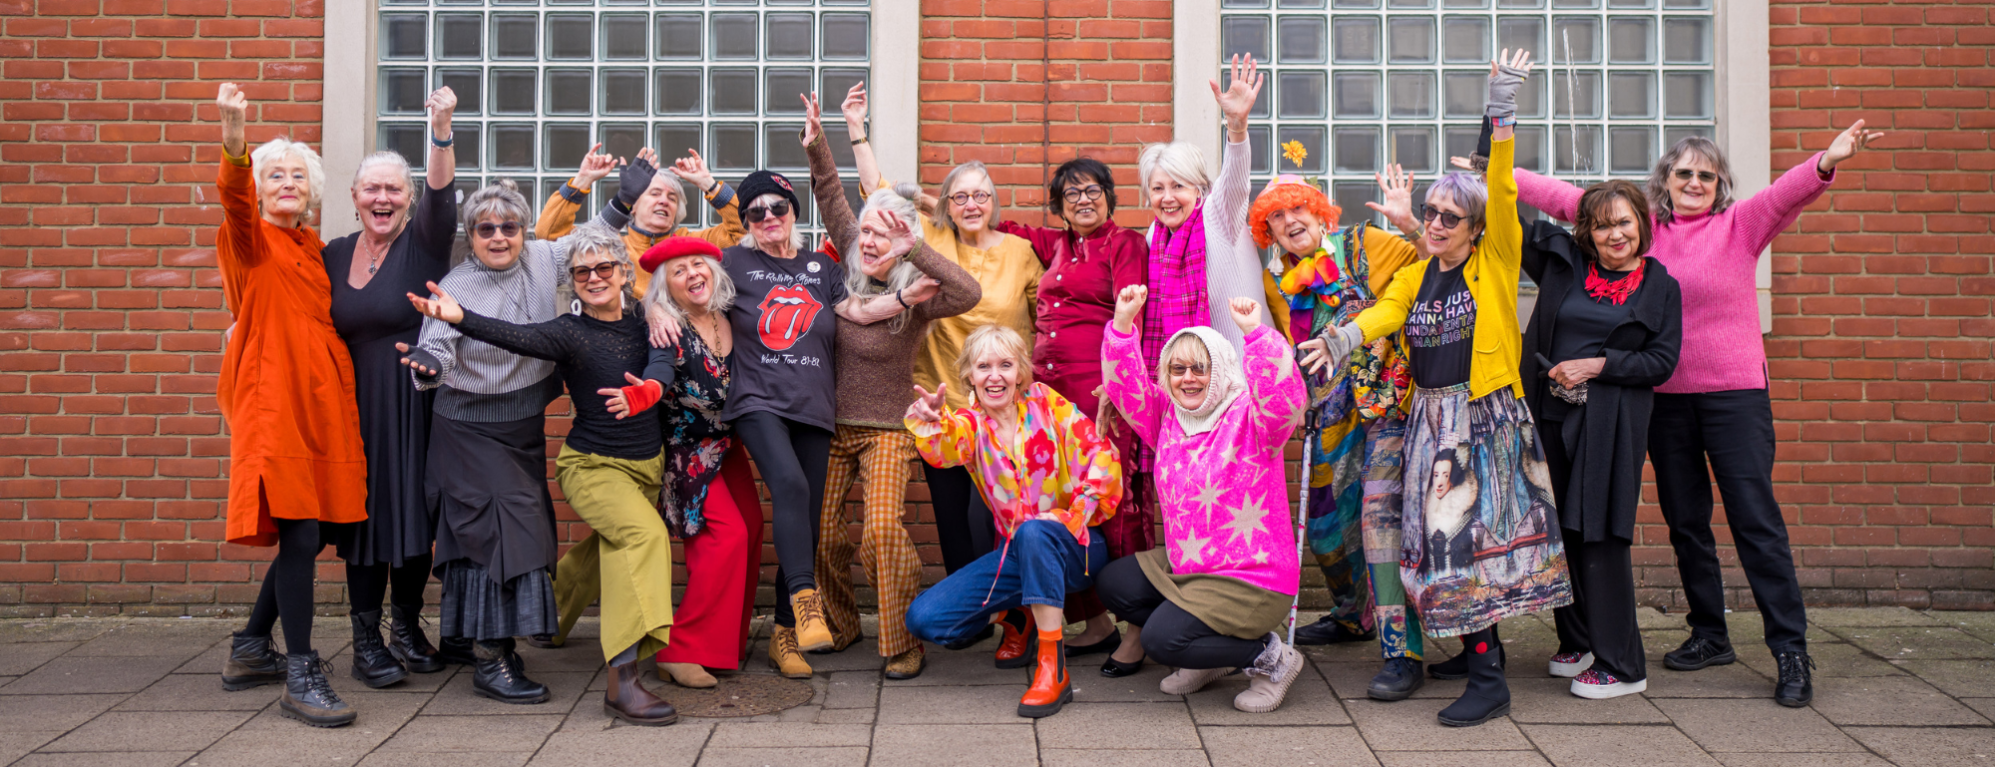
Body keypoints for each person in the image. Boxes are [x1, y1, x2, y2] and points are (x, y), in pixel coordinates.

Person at [1473, 118, 1881, 709]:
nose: (1695, 181)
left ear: (1719, 186)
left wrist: (1826, 160)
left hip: (1734, 394)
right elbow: (1563, 198)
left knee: (1754, 520)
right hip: (1661, 400)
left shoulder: (1740, 226)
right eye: (1684, 172)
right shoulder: (1642, 230)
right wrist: (1494, 172)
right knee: (1685, 520)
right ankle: (1710, 633)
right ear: (1665, 180)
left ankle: (1790, 649)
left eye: (1706, 175)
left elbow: (1786, 192)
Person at [1305, 49, 1571, 728]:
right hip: (1430, 419)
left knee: (1465, 544)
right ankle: (1479, 652)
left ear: (1476, 229)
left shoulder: (1494, 261)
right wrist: (1335, 342)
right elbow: (1381, 314)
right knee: (1445, 542)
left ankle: (1487, 678)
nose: (1434, 222)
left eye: (1449, 216)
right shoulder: (1420, 274)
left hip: (1482, 419)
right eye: (1429, 211)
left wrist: (1500, 106)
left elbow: (1502, 188)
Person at [646, 166, 916, 677]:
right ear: (746, 220)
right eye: (756, 211)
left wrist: (905, 298)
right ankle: (805, 597)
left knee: (809, 516)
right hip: (756, 401)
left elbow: (856, 312)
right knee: (788, 485)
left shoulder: (822, 266)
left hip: (815, 405)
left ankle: (785, 636)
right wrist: (655, 309)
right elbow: (682, 280)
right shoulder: (732, 262)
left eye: (778, 207)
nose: (769, 216)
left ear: (794, 212)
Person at [408, 224, 683, 726]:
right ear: (572, 281)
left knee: (607, 547)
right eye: (582, 272)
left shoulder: (650, 319)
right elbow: (516, 335)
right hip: (592, 466)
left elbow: (663, 361)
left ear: (625, 272)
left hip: (647, 464)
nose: (594, 278)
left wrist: (648, 388)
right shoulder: (569, 331)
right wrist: (460, 317)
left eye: (605, 268)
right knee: (643, 537)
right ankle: (624, 680)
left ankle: (549, 620)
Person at [845, 82, 1050, 662]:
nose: (970, 204)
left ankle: (1015, 621)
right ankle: (971, 615)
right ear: (946, 204)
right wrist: (857, 130)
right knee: (952, 520)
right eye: (959, 196)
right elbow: (876, 192)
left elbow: (1044, 320)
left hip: (1004, 412)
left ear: (993, 201)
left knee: (995, 515)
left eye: (980, 195)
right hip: (943, 407)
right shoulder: (927, 238)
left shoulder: (1020, 253)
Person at [399, 180, 623, 696]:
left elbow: (594, 238)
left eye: (509, 227)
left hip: (520, 427)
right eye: (485, 229)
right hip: (467, 428)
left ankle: (469, 638)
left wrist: (622, 199)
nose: (498, 237)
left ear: (523, 230)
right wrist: (430, 363)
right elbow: (437, 341)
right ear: (471, 235)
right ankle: (491, 660)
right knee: (499, 532)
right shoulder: (456, 285)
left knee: (502, 530)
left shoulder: (544, 257)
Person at [799, 93, 981, 680]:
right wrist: (818, 143)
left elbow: (969, 294)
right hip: (832, 426)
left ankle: (902, 640)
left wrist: (918, 250)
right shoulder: (845, 274)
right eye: (867, 233)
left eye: (885, 234)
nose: (873, 241)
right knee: (823, 533)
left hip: (889, 431)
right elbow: (830, 195)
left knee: (880, 530)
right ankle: (845, 622)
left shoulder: (917, 295)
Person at [210, 82, 366, 728]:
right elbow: (235, 203)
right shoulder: (250, 243)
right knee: (299, 529)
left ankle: (250, 647)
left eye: (296, 176)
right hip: (273, 406)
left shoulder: (313, 250)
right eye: (274, 175)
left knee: (319, 527)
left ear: (312, 190)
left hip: (319, 410)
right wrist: (235, 139)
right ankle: (300, 672)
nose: (285, 184)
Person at [1253, 171, 1424, 702]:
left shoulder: (1367, 245)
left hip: (1385, 410)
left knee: (1378, 524)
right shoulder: (1277, 281)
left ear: (1320, 211)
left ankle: (1403, 653)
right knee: (1328, 528)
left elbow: (1434, 266)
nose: (1289, 222)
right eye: (1276, 218)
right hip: (1325, 414)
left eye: (1297, 209)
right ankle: (1352, 618)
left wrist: (1410, 222)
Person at [1098, 289, 1310, 712]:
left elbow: (1287, 400)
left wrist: (1255, 334)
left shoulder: (1253, 418)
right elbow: (1126, 389)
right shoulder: (1166, 417)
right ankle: (1209, 654)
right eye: (1178, 369)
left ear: (1222, 368)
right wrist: (1122, 324)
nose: (1188, 378)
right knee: (1113, 584)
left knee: (1162, 641)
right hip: (1191, 569)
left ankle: (1270, 657)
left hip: (1253, 579)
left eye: (1200, 367)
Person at [902, 324, 1123, 719]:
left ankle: (1052, 670)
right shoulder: (970, 425)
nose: (995, 376)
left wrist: (1067, 517)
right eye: (983, 366)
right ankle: (1019, 614)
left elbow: (1101, 457)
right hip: (1016, 556)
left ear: (1021, 371)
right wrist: (933, 421)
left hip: (1076, 548)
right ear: (969, 374)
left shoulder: (1047, 404)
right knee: (925, 620)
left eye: (1005, 365)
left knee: (1037, 531)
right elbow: (943, 449)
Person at [1518, 180, 1683, 699]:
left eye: (1624, 222)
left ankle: (1623, 664)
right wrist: (1492, 155)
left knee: (1601, 535)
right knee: (1558, 533)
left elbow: (1661, 361)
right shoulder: (1566, 265)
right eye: (1602, 224)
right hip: (1547, 415)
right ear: (1586, 231)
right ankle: (1580, 641)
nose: (1615, 234)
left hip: (1608, 424)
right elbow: (1512, 225)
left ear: (1642, 223)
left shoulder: (1659, 286)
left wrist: (1597, 366)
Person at [992, 157, 1155, 676]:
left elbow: (1136, 311)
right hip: (1049, 399)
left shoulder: (1124, 244)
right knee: (1062, 502)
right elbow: (996, 225)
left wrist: (1118, 378)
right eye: (1071, 195)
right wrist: (927, 204)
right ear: (1059, 206)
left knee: (1119, 503)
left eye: (1092, 191)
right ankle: (1097, 624)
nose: (1083, 201)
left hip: (1102, 392)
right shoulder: (1054, 246)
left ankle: (1138, 631)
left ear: (1109, 195)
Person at [577, 236, 762, 690]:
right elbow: (651, 353)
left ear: (714, 272)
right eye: (678, 272)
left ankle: (721, 645)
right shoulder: (663, 325)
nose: (691, 274)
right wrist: (651, 309)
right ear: (666, 287)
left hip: (729, 446)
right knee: (725, 537)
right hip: (685, 453)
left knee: (753, 529)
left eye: (698, 264)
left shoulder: (732, 314)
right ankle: (679, 649)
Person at [321, 86, 457, 689]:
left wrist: (441, 128)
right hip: (350, 408)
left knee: (411, 515)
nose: (382, 197)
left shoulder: (423, 243)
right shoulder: (331, 255)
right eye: (371, 189)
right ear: (354, 199)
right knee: (363, 521)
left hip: (412, 401)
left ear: (406, 201)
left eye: (393, 189)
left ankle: (405, 626)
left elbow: (442, 194)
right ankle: (365, 641)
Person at [538, 144, 744, 297]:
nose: (664, 201)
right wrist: (582, 181)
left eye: (672, 198)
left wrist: (709, 185)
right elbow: (549, 235)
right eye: (655, 194)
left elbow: (742, 231)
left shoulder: (691, 243)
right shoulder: (611, 246)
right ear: (633, 205)